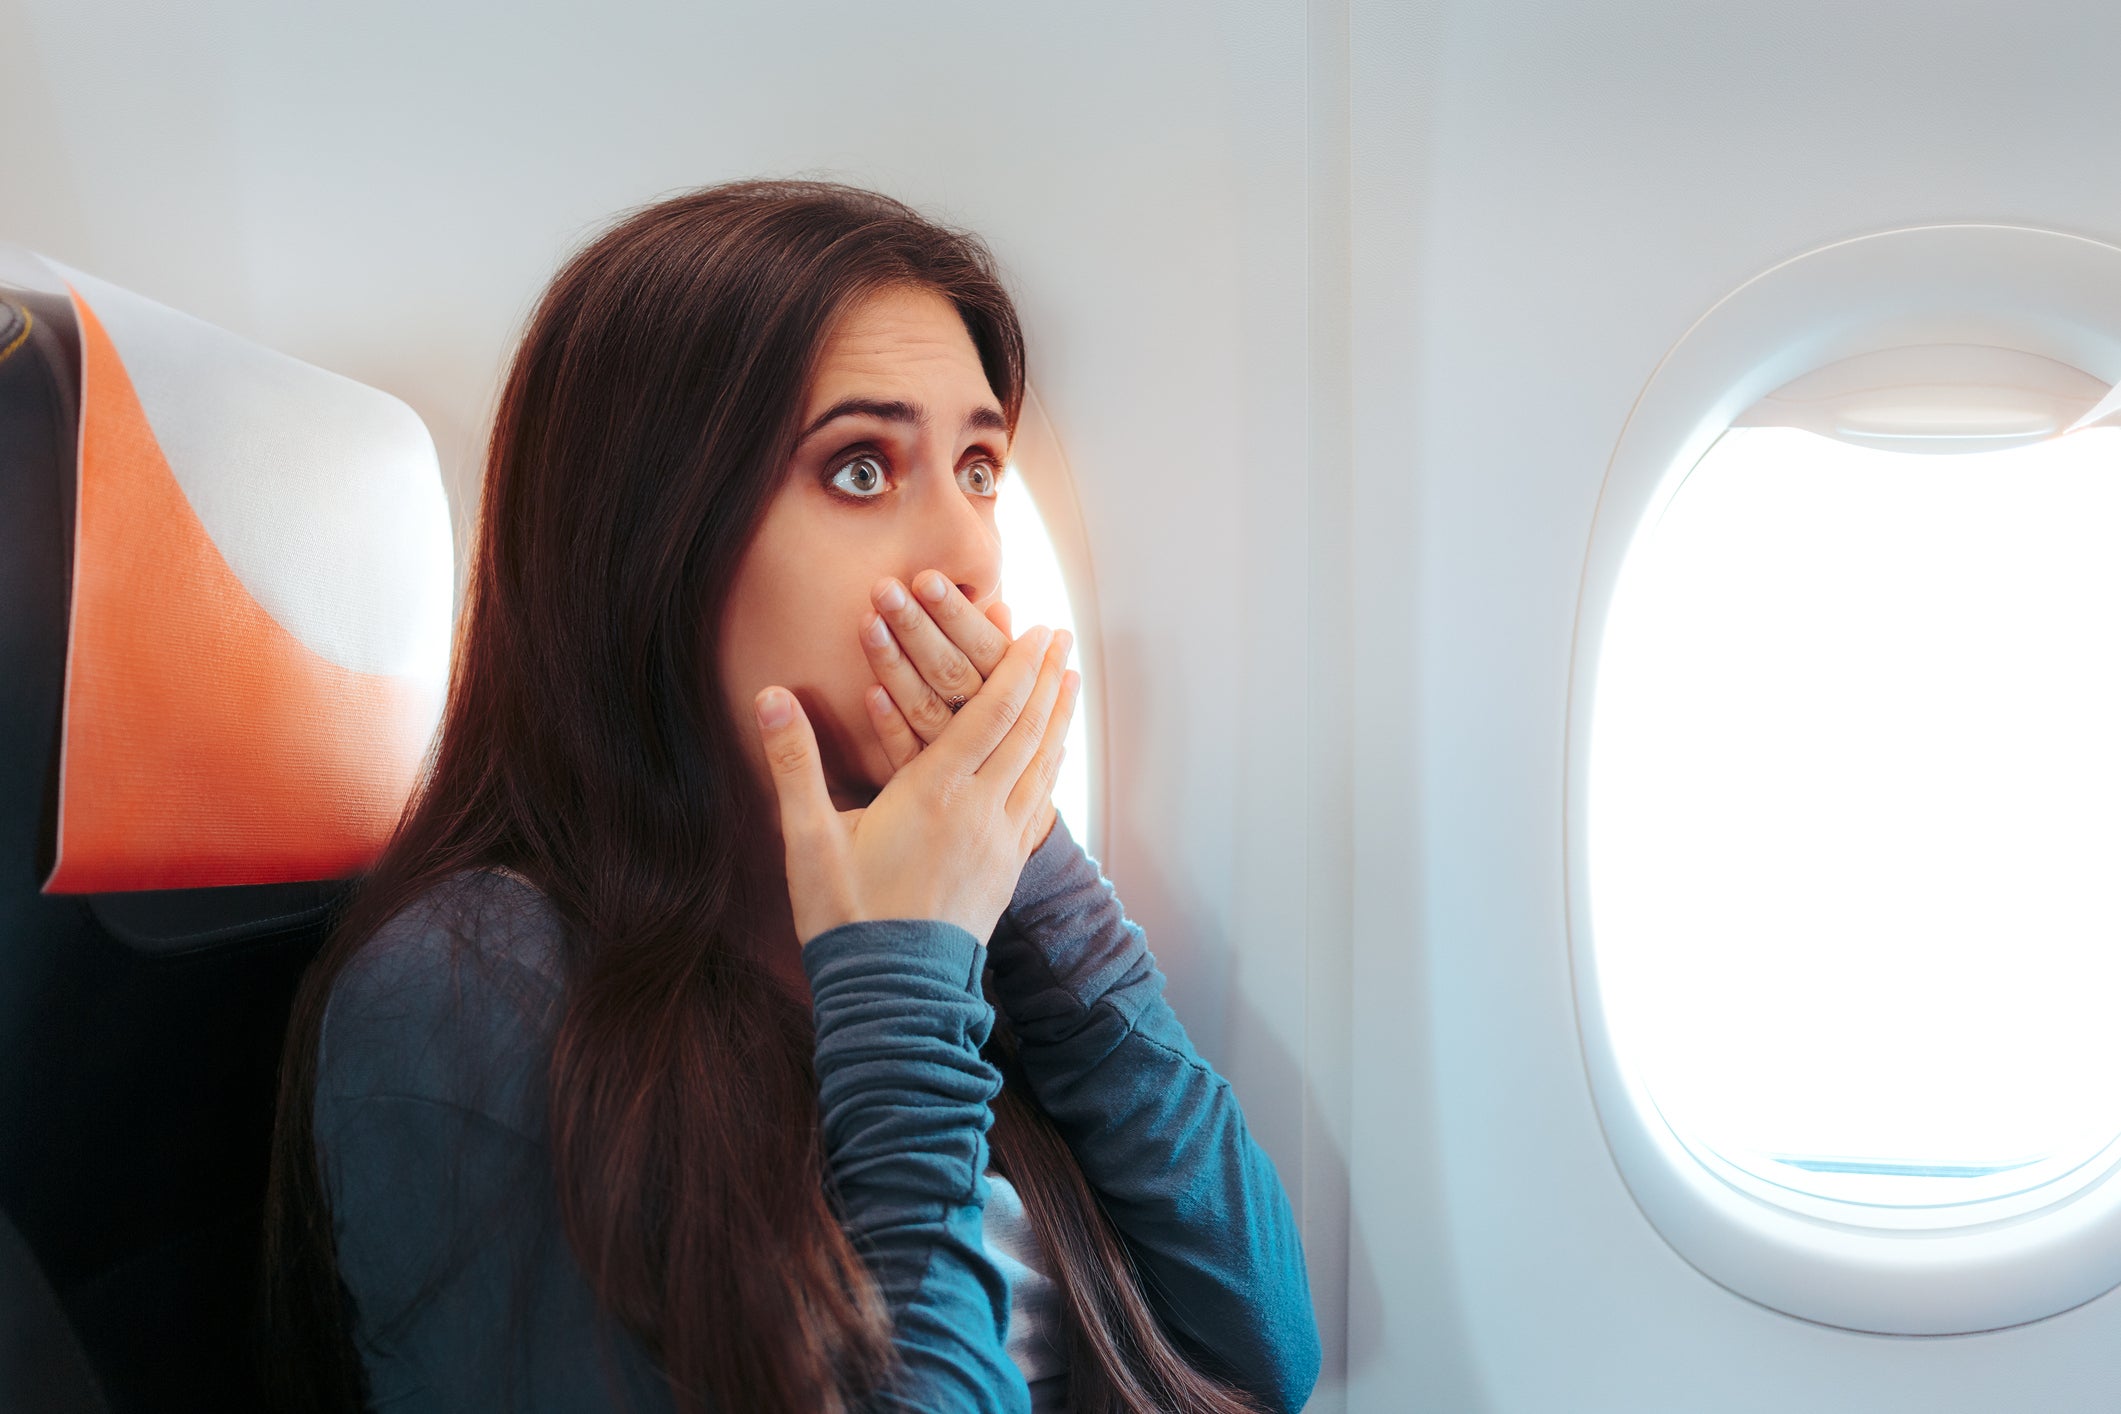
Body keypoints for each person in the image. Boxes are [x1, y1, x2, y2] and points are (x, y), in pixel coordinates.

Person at [261, 179, 1321, 1414]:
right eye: (862, 469)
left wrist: (1035, 868)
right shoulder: (469, 986)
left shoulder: (921, 911)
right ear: (654, 543)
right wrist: (905, 998)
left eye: (980, 466)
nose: (973, 555)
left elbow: (1258, 1344)